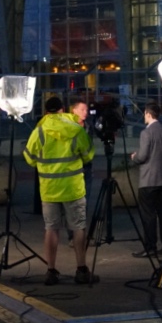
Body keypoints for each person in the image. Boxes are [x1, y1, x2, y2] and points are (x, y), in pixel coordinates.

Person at [24, 96, 96, 286]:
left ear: (46, 112)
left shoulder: (39, 131)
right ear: (63, 110)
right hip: (73, 188)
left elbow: (29, 158)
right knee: (78, 227)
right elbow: (89, 155)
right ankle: (81, 269)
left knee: (51, 229)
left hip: (49, 189)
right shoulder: (75, 130)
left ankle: (51, 270)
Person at [129, 102, 162, 258]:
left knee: (148, 215)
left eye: (144, 114)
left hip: (148, 180)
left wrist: (135, 157)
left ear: (148, 114)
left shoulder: (146, 133)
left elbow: (143, 156)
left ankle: (150, 246)